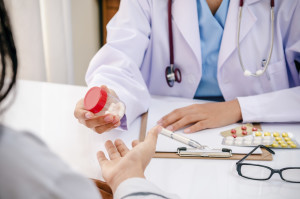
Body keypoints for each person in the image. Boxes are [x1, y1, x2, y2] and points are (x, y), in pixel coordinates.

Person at [0, 1, 178, 198]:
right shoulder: (20, 166)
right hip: (159, 119)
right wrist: (113, 94)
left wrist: (220, 110)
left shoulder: (20, 164)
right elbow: (120, 53)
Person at [74, 0, 300, 134]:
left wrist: (238, 108)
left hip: (261, 136)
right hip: (168, 131)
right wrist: (112, 97)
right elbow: (120, 53)